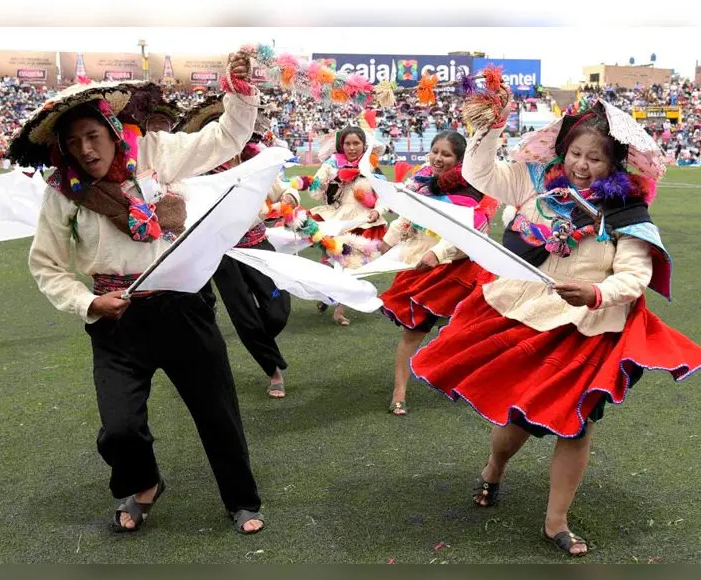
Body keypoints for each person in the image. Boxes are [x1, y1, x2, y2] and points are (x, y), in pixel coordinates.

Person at [410, 97, 701, 557]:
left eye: (595, 158)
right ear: (562, 149)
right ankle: (494, 467)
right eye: (576, 154)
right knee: (519, 419)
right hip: (526, 315)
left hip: (586, 328)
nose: (582, 165)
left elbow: (634, 275)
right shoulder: (532, 181)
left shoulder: (627, 211)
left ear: (614, 162)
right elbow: (481, 175)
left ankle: (556, 521)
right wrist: (488, 130)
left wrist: (595, 293)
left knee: (577, 425)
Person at [11, 53, 267, 536]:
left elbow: (227, 138)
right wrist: (88, 303)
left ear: (112, 129)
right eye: (73, 142)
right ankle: (144, 482)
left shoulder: (155, 152)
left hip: (181, 306)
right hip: (113, 318)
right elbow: (46, 265)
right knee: (119, 428)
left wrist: (239, 91)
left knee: (217, 413)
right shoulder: (63, 191)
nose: (86, 150)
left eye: (92, 136)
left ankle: (241, 499)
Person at [180, 98, 298, 399]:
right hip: (223, 254)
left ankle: (259, 341)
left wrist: (290, 198)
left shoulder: (252, 159)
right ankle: (272, 369)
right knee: (244, 316)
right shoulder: (201, 174)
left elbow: (282, 188)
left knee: (278, 308)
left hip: (259, 244)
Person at [378, 131, 498, 416]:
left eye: (446, 155)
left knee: (468, 330)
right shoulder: (422, 182)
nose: (438, 159)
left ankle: (468, 381)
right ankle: (399, 391)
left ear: (459, 160)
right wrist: (387, 241)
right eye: (435, 152)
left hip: (459, 270)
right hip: (422, 266)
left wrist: (439, 253)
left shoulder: (471, 189)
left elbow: (471, 231)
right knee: (413, 332)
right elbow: (406, 218)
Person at [309, 125, 388, 326]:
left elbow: (385, 197)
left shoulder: (371, 167)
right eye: (347, 144)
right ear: (341, 145)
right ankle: (327, 294)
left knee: (351, 265)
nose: (352, 148)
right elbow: (314, 193)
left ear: (364, 145)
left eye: (356, 143)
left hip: (364, 222)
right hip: (338, 219)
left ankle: (339, 309)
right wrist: (328, 182)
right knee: (328, 260)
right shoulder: (331, 165)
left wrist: (377, 211)